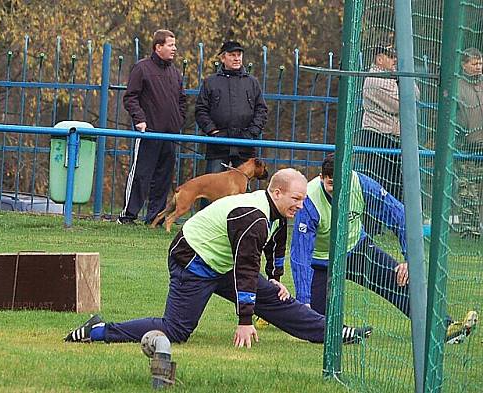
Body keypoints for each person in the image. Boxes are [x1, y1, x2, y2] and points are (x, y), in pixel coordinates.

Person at [66, 168, 372, 347]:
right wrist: (244, 320)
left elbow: (274, 248)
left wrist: (277, 281)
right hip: (193, 261)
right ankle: (98, 330)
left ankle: (334, 333)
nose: (301, 205)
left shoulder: (275, 213)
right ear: (276, 193)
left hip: (222, 262)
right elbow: (246, 268)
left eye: (304, 199)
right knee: (175, 331)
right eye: (296, 198)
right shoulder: (254, 217)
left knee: (280, 301)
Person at [290, 154, 478, 344]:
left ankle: (442, 327)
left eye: (341, 183)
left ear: (349, 175)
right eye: (331, 184)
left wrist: (409, 258)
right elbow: (300, 255)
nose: (337, 190)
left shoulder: (362, 185)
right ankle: (345, 333)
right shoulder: (309, 200)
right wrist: (304, 300)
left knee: (401, 280)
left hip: (356, 248)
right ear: (322, 178)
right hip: (320, 262)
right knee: (314, 321)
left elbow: (400, 215)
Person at [118, 29, 187, 225]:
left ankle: (154, 218)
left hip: (170, 135)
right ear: (158, 47)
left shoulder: (174, 73)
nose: (174, 49)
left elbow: (182, 100)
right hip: (149, 133)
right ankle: (128, 215)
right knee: (141, 174)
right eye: (170, 45)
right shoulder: (142, 68)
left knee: (163, 178)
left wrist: (178, 121)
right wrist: (140, 120)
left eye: (174, 45)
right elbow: (131, 97)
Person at [195, 41, 268, 175]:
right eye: (232, 55)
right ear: (223, 58)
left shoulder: (252, 82)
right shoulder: (210, 82)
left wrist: (251, 133)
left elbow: (261, 110)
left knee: (244, 192)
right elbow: (201, 110)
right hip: (218, 145)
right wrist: (213, 131)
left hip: (245, 145)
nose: (236, 58)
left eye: (239, 55)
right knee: (213, 188)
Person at [357, 45, 417, 202]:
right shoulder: (375, 80)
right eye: (390, 56)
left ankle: (394, 222)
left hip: (393, 137)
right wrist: (402, 82)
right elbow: (401, 103)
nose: (394, 59)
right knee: (379, 183)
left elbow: (415, 95)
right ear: (379, 59)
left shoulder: (391, 77)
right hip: (378, 136)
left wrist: (401, 81)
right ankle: (373, 226)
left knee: (396, 185)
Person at [455, 48, 483, 233]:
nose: (478, 67)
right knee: (468, 188)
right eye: (474, 63)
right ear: (464, 65)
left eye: (480, 63)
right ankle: (469, 228)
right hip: (468, 144)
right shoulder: (458, 86)